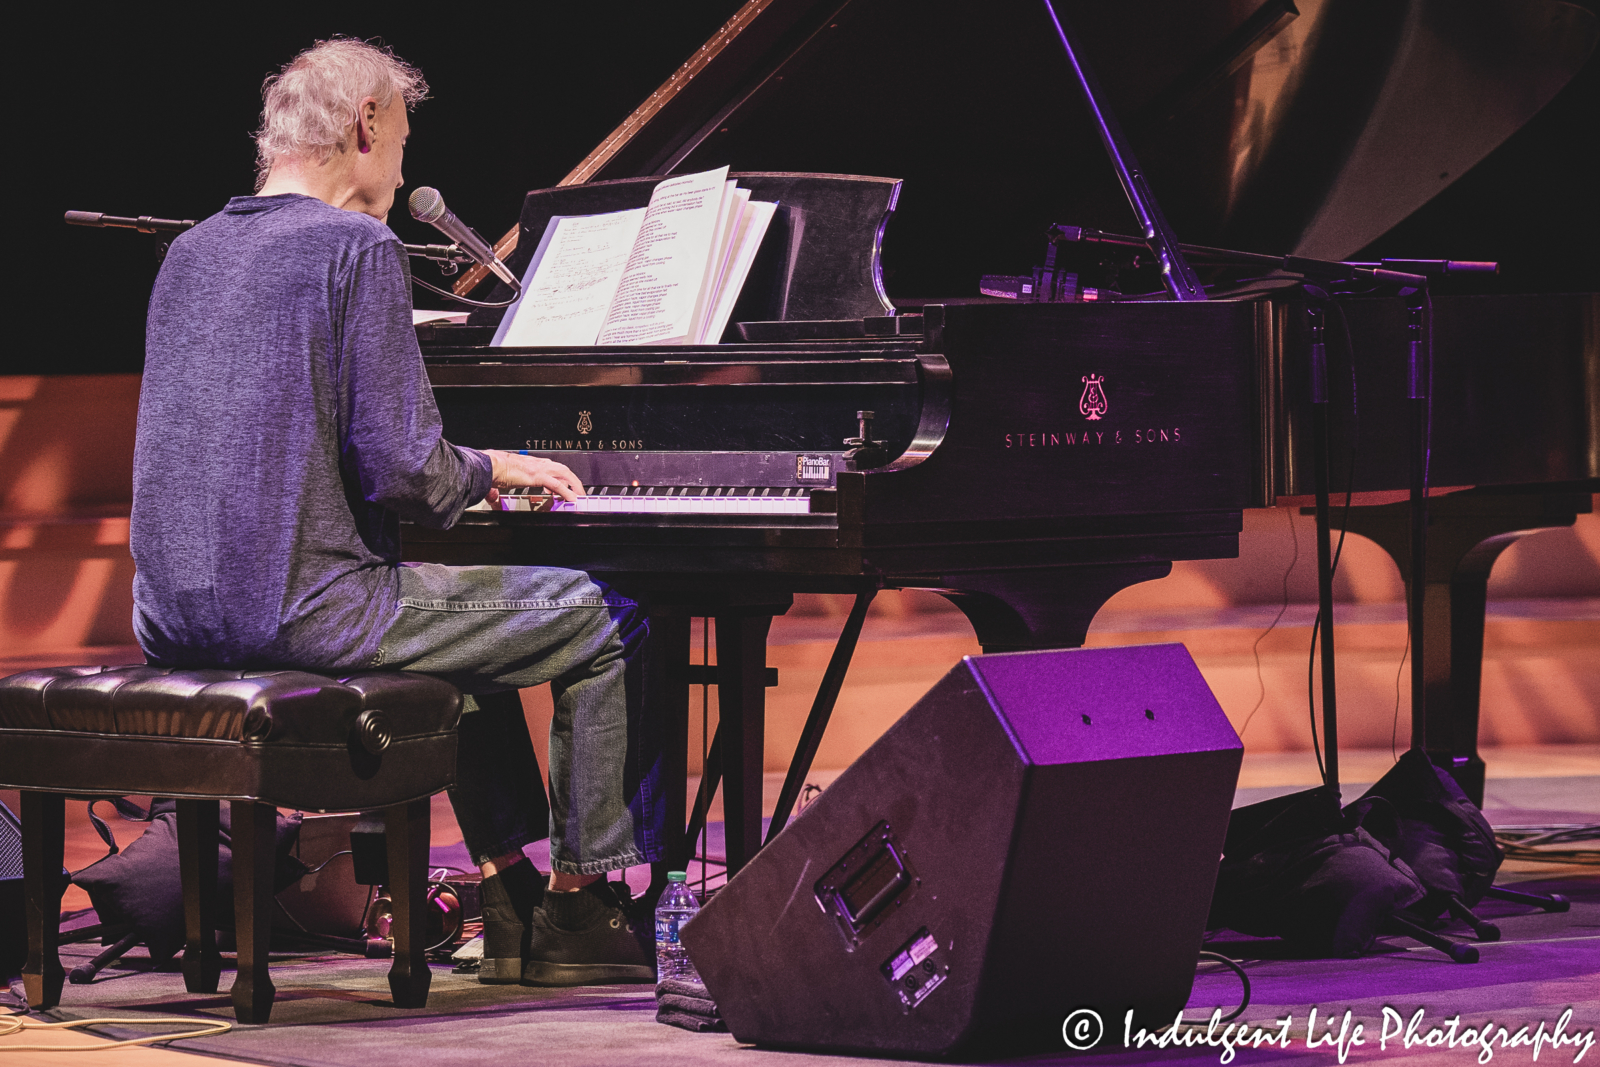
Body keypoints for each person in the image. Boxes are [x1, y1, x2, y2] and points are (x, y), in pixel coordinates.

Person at [129, 38, 660, 986]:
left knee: (481, 633)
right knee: (602, 618)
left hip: (174, 618)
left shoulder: (191, 252)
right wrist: (492, 466)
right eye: (404, 141)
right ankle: (580, 906)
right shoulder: (356, 245)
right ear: (368, 123)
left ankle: (505, 887)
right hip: (312, 613)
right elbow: (406, 473)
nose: (404, 168)